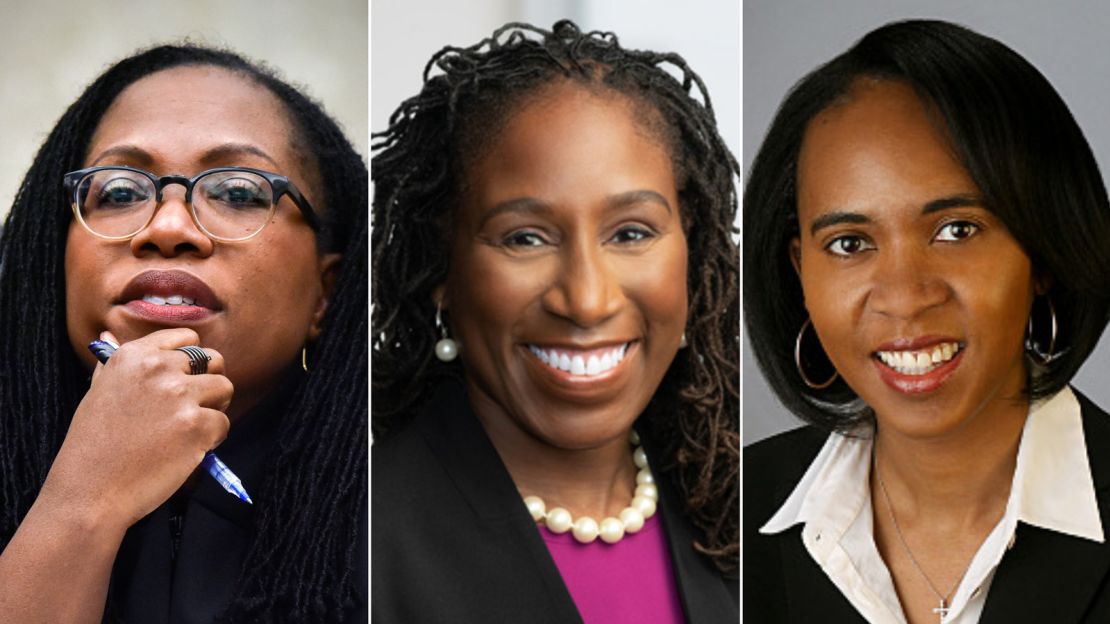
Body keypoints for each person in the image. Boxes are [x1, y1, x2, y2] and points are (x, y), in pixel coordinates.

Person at [744, 19, 1110, 624]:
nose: (905, 299)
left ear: (1042, 252)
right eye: (849, 243)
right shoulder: (733, 508)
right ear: (800, 272)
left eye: (956, 230)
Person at [371, 20, 739, 623]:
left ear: (691, 252)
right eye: (526, 238)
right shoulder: (361, 534)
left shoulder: (739, 515)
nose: (587, 300)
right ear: (443, 264)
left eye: (631, 233)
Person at [0, 45, 367, 622]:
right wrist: (82, 503)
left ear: (326, 293)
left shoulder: (400, 513)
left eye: (238, 192)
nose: (169, 227)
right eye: (120, 192)